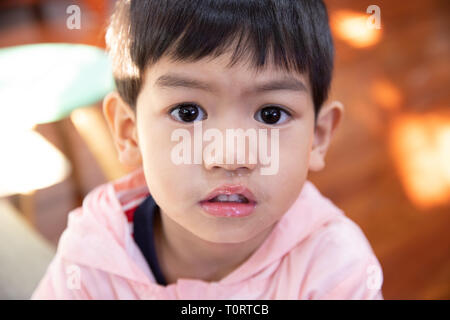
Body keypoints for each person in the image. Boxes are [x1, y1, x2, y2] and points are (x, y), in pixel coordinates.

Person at [31, 0, 383, 299]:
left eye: (271, 115)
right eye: (188, 112)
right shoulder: (90, 261)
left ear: (318, 137)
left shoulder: (336, 270)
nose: (230, 157)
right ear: (129, 133)